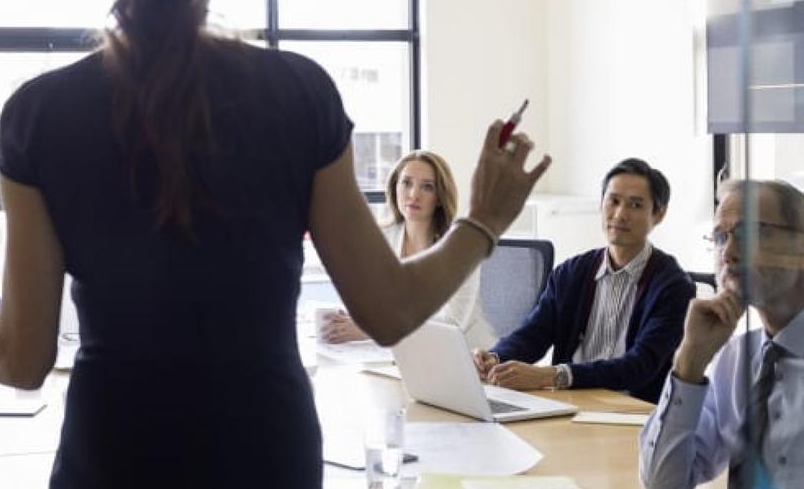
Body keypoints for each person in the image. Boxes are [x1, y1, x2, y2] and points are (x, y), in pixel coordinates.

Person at [0, 0, 550, 488]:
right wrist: (483, 219)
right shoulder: (299, 93)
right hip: (265, 452)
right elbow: (390, 309)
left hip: (113, 453)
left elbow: (22, 359)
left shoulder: (39, 112)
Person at [472, 158, 694, 403]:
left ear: (659, 214)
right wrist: (495, 358)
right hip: (569, 406)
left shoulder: (673, 287)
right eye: (614, 201)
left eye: (635, 205)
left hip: (633, 413)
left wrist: (551, 376)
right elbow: (533, 335)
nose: (620, 214)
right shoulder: (571, 273)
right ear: (602, 204)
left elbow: (639, 367)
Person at [639, 180, 804, 488]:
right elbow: (664, 482)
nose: (728, 252)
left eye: (750, 232)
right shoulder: (735, 358)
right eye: (719, 237)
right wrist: (690, 359)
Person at [320, 150, 496, 349]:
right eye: (406, 183)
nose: (413, 194)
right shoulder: (381, 237)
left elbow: (452, 325)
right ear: (395, 187)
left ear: (439, 197)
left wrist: (372, 329)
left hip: (464, 357)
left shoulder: (462, 248)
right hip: (394, 355)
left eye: (427, 187)